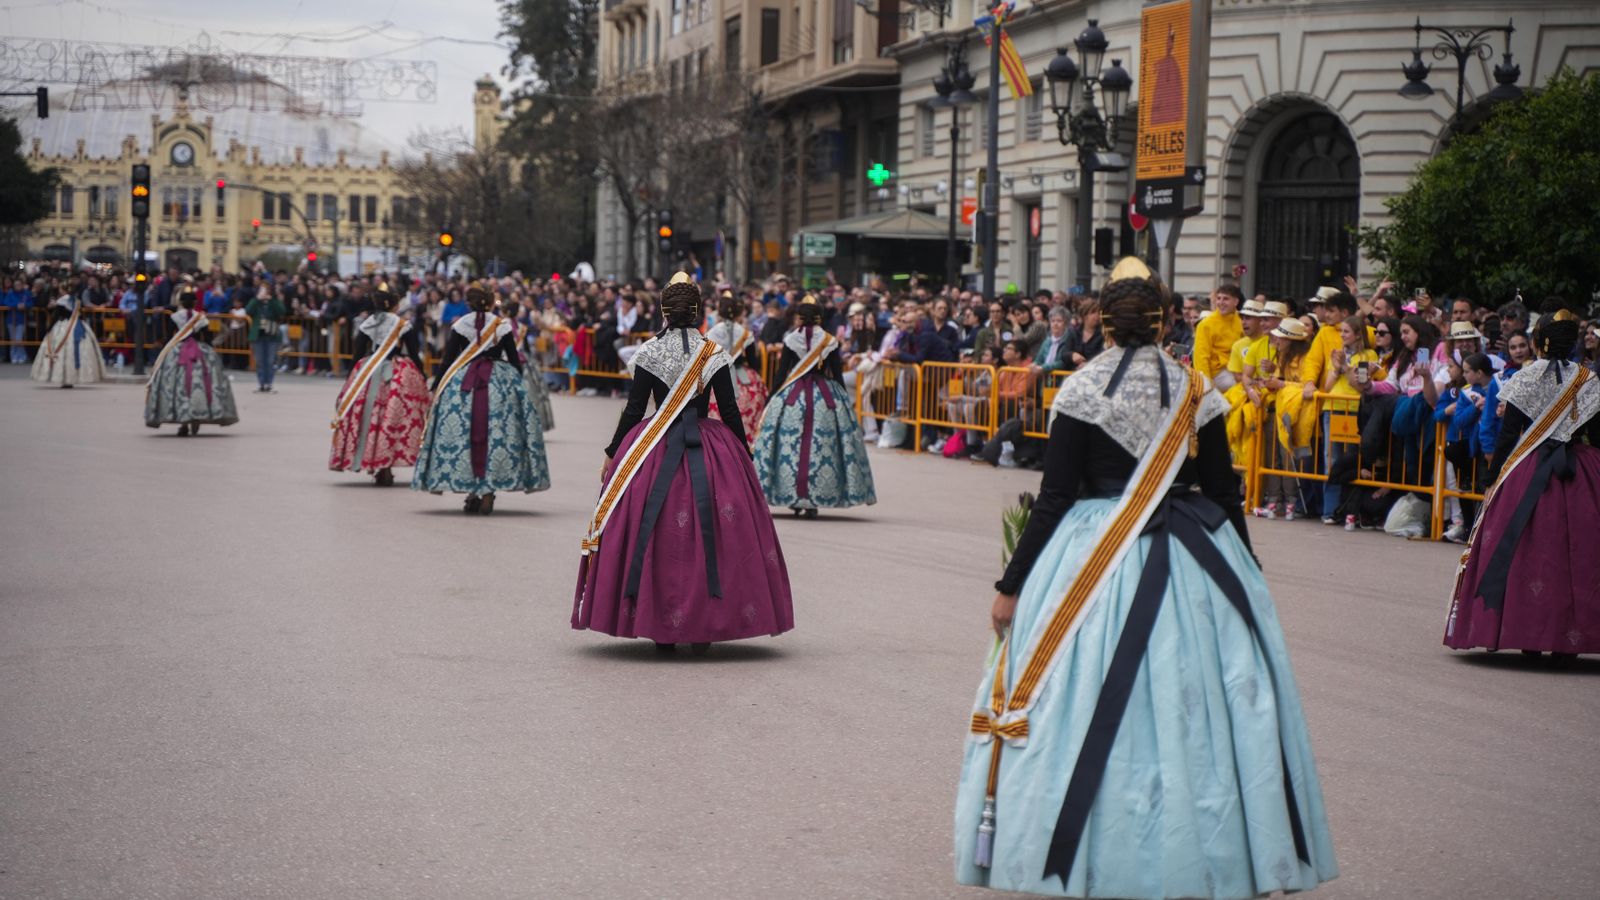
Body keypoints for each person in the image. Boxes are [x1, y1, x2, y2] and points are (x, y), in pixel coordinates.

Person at [958, 260, 1336, 897]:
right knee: (1201, 707)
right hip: (1194, 550)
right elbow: (1223, 490)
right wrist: (1248, 572)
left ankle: (1092, 855)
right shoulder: (1197, 389)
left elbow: (1054, 498)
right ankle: (1209, 853)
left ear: (1102, 325)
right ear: (1167, 325)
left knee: (1079, 704)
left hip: (1091, 551)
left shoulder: (1080, 388)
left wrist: (1011, 582)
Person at [573, 273, 793, 654]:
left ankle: (657, 623)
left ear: (663, 312)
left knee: (652, 530)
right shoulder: (714, 352)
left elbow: (635, 409)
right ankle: (705, 623)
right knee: (717, 531)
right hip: (709, 446)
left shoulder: (648, 352)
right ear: (698, 311)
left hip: (652, 447)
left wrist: (613, 452)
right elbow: (728, 410)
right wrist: (743, 455)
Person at [1445, 317, 1599, 658]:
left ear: (1540, 342)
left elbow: (1507, 435)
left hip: (1528, 469)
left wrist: (1491, 479)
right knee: (1577, 552)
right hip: (1580, 471)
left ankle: (1528, 633)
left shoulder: (1525, 377)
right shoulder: (1588, 380)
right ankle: (1569, 641)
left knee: (1527, 550)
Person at [412, 287, 551, 514]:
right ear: (490, 303)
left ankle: (471, 490)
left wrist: (438, 384)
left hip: (464, 382)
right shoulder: (501, 325)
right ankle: (488, 492)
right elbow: (514, 360)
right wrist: (518, 389)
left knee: (465, 437)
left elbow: (448, 359)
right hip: (499, 383)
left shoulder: (460, 325)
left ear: (469, 304)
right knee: (497, 437)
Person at [751, 294, 877, 517]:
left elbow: (782, 373)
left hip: (792, 398)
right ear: (819, 318)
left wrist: (772, 397)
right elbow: (836, 374)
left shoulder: (791, 339)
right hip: (825, 397)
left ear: (800, 319)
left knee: (790, 447)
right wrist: (843, 404)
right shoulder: (829, 341)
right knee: (823, 447)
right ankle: (815, 497)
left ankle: (792, 496)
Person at [329, 290, 431, 485]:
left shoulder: (368, 323)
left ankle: (371, 459)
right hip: (397, 374)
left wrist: (352, 379)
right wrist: (423, 377)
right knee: (392, 419)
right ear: (395, 306)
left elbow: (357, 353)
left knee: (368, 417)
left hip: (369, 372)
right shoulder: (402, 325)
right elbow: (415, 354)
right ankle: (386, 463)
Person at [143, 288, 239, 435]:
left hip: (178, 353)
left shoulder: (175, 317)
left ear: (180, 302)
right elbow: (207, 338)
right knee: (203, 384)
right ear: (195, 303)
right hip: (199, 353)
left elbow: (169, 336)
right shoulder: (201, 318)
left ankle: (183, 422)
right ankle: (198, 417)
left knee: (177, 386)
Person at [705, 291, 770, 449]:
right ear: (738, 313)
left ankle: (717, 444)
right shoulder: (745, 333)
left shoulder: (711, 333)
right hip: (744, 380)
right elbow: (754, 362)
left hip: (717, 376)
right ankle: (747, 443)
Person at [31, 293, 104, 388]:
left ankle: (63, 377)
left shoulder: (62, 300)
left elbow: (57, 315)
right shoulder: (75, 300)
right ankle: (72, 377)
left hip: (63, 326)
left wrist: (49, 327)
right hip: (74, 325)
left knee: (65, 352)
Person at [1190, 283, 1242, 381]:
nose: (1221, 302)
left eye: (1225, 299)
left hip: (1238, 369)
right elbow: (1201, 357)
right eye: (1218, 298)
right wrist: (1206, 383)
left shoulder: (1241, 320)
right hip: (1217, 372)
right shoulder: (1206, 324)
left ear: (1236, 302)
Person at [244, 286, 287, 393]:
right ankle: (261, 383)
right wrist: (257, 299)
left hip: (272, 335)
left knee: (270, 360)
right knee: (259, 360)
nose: (264, 293)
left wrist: (271, 300)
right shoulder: (255, 302)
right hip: (258, 335)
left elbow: (281, 311)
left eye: (266, 290)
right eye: (262, 290)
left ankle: (269, 383)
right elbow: (248, 311)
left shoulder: (274, 302)